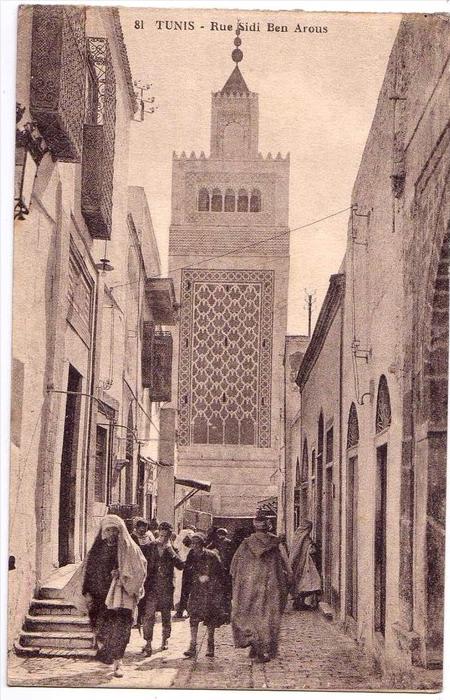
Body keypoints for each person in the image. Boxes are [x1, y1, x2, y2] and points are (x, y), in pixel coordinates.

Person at [62, 514, 147, 677]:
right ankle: (107, 651)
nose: (111, 534)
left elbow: (141, 569)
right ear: (103, 531)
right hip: (100, 596)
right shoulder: (97, 549)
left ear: (120, 531)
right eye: (108, 530)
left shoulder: (130, 548)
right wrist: (86, 592)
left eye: (114, 530)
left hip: (122, 596)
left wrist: (123, 574)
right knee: (102, 629)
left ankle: (118, 662)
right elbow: (88, 570)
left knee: (121, 629)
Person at [230, 512, 292, 663]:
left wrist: (240, 584)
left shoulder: (246, 544)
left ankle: (256, 647)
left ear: (255, 527)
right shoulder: (275, 544)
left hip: (250, 587)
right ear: (268, 526)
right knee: (268, 618)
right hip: (271, 587)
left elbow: (234, 567)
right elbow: (285, 567)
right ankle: (262, 649)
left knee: (250, 616)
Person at [139, 521, 184, 656]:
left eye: (166, 536)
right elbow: (141, 564)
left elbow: (181, 565)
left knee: (166, 615)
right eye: (161, 535)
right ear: (158, 533)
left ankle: (165, 639)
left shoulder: (172, 550)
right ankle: (148, 643)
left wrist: (170, 551)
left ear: (170, 536)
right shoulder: (149, 547)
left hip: (166, 588)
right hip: (151, 587)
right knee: (149, 616)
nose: (163, 538)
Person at [181, 532, 228, 658]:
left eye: (197, 544)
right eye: (193, 544)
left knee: (210, 618)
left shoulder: (212, 555)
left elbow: (221, 574)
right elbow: (187, 571)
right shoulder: (191, 555)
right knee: (194, 617)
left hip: (210, 591)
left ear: (203, 544)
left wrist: (210, 579)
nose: (195, 547)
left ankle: (210, 645)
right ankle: (192, 645)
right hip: (196, 591)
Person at [289, 520, 321, 610]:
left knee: (301, 584)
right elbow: (311, 551)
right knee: (306, 583)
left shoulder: (297, 537)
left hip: (297, 564)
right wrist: (313, 547)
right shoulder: (305, 539)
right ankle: (299, 603)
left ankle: (299, 602)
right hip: (304, 564)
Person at [206, 528, 233, 617]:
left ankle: (225, 613)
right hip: (225, 569)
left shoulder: (217, 543)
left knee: (222, 592)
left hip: (221, 570)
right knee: (225, 593)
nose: (220, 536)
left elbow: (207, 549)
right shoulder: (228, 542)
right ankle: (226, 613)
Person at [173, 527, 194, 618]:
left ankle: (187, 610)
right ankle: (180, 610)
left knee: (187, 591)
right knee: (180, 590)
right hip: (180, 570)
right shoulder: (179, 546)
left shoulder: (192, 549)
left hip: (188, 570)